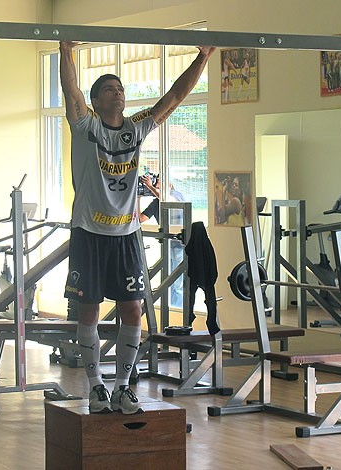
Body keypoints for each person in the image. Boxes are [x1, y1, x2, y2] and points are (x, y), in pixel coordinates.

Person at [60, 41, 215, 415]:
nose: (119, 93)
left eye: (122, 89)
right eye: (111, 89)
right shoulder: (85, 126)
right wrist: (65, 51)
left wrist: (203, 57)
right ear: (96, 101)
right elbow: (70, 91)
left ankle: (123, 388)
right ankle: (96, 387)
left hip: (126, 235)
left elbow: (174, 97)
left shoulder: (136, 127)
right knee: (89, 311)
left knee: (133, 310)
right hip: (89, 233)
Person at [139, 177, 186, 308]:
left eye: (159, 180)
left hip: (179, 244)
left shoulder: (177, 195)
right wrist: (137, 197)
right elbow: (139, 218)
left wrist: (150, 187)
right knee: (167, 280)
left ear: (170, 184)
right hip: (167, 244)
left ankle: (178, 309)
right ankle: (170, 307)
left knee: (177, 282)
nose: (156, 183)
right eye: (155, 181)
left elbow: (167, 201)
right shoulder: (156, 202)